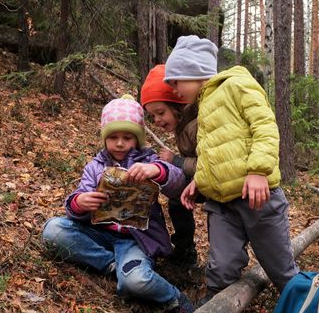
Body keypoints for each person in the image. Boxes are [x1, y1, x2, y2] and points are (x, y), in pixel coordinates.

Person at [164, 35, 299, 305]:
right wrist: (200, 181)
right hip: (222, 205)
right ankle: (216, 305)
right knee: (221, 271)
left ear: (194, 72)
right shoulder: (202, 107)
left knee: (281, 270)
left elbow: (265, 126)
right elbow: (214, 151)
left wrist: (259, 171)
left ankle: (307, 302)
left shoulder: (236, 85)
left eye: (175, 80)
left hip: (258, 200)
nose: (173, 89)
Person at [41, 94, 194, 313]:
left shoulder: (149, 161)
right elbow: (77, 203)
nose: (120, 143)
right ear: (105, 138)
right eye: (113, 137)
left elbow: (177, 183)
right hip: (98, 234)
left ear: (137, 139)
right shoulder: (95, 167)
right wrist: (79, 203)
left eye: (127, 137)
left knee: (136, 281)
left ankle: (174, 297)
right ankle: (111, 264)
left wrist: (158, 171)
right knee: (53, 230)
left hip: (135, 240)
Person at [140, 64, 199, 266]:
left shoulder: (196, 126)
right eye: (152, 116)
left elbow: (208, 164)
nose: (157, 120)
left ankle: (189, 253)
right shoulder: (182, 124)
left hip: (216, 180)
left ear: (178, 105)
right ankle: (184, 248)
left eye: (160, 112)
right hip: (201, 177)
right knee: (177, 199)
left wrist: (176, 161)